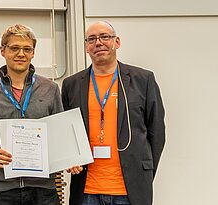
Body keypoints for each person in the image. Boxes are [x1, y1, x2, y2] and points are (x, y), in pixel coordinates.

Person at [62, 21, 166, 205]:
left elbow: (156, 133)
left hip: (130, 190)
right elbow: (66, 131)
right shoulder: (72, 85)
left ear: (117, 42)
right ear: (86, 47)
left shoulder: (143, 80)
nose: (98, 43)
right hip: (86, 190)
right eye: (91, 39)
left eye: (104, 37)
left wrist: (144, 170)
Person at [0, 24, 63, 205]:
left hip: (43, 191)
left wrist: (71, 157)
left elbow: (60, 136)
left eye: (27, 49)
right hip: (2, 191)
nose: (21, 54)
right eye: (14, 48)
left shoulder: (50, 89)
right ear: (2, 50)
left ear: (33, 53)